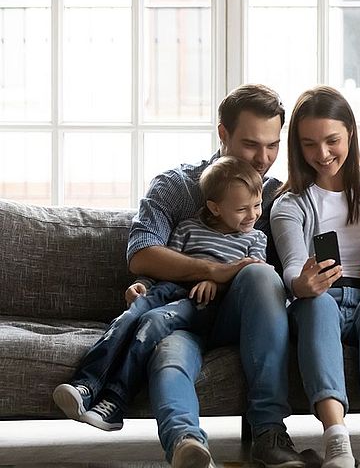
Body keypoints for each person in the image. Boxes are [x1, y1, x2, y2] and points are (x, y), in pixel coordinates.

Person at [57, 84, 306, 468]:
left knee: (260, 276)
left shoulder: (275, 197)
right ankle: (185, 442)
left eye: (273, 145)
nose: (263, 158)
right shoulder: (177, 186)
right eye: (252, 144)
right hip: (180, 316)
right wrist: (209, 270)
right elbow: (141, 253)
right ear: (222, 133)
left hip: (240, 319)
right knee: (168, 351)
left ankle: (270, 433)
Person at [54, 156, 268, 435]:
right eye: (242, 208)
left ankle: (115, 401)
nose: (252, 215)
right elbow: (167, 265)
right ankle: (86, 385)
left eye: (257, 205)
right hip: (168, 288)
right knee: (132, 313)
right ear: (215, 207)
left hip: (202, 304)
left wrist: (219, 282)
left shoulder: (255, 239)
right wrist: (142, 283)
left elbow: (254, 281)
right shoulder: (188, 228)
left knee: (152, 322)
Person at [270, 86, 360, 468]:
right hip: (321, 301)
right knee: (316, 304)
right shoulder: (290, 204)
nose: (323, 154)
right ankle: (336, 438)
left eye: (332, 141)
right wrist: (302, 284)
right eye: (310, 144)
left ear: (350, 134)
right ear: (297, 145)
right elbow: (293, 268)